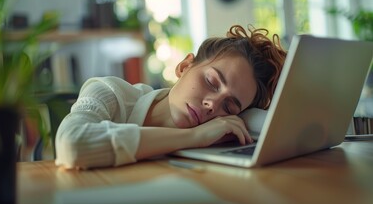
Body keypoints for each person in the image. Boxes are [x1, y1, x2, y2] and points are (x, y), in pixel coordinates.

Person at [54, 25, 287, 170]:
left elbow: (272, 127)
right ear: (185, 66)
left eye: (229, 106)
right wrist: (193, 136)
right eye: (211, 82)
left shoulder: (220, 131)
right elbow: (72, 144)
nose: (212, 105)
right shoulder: (110, 92)